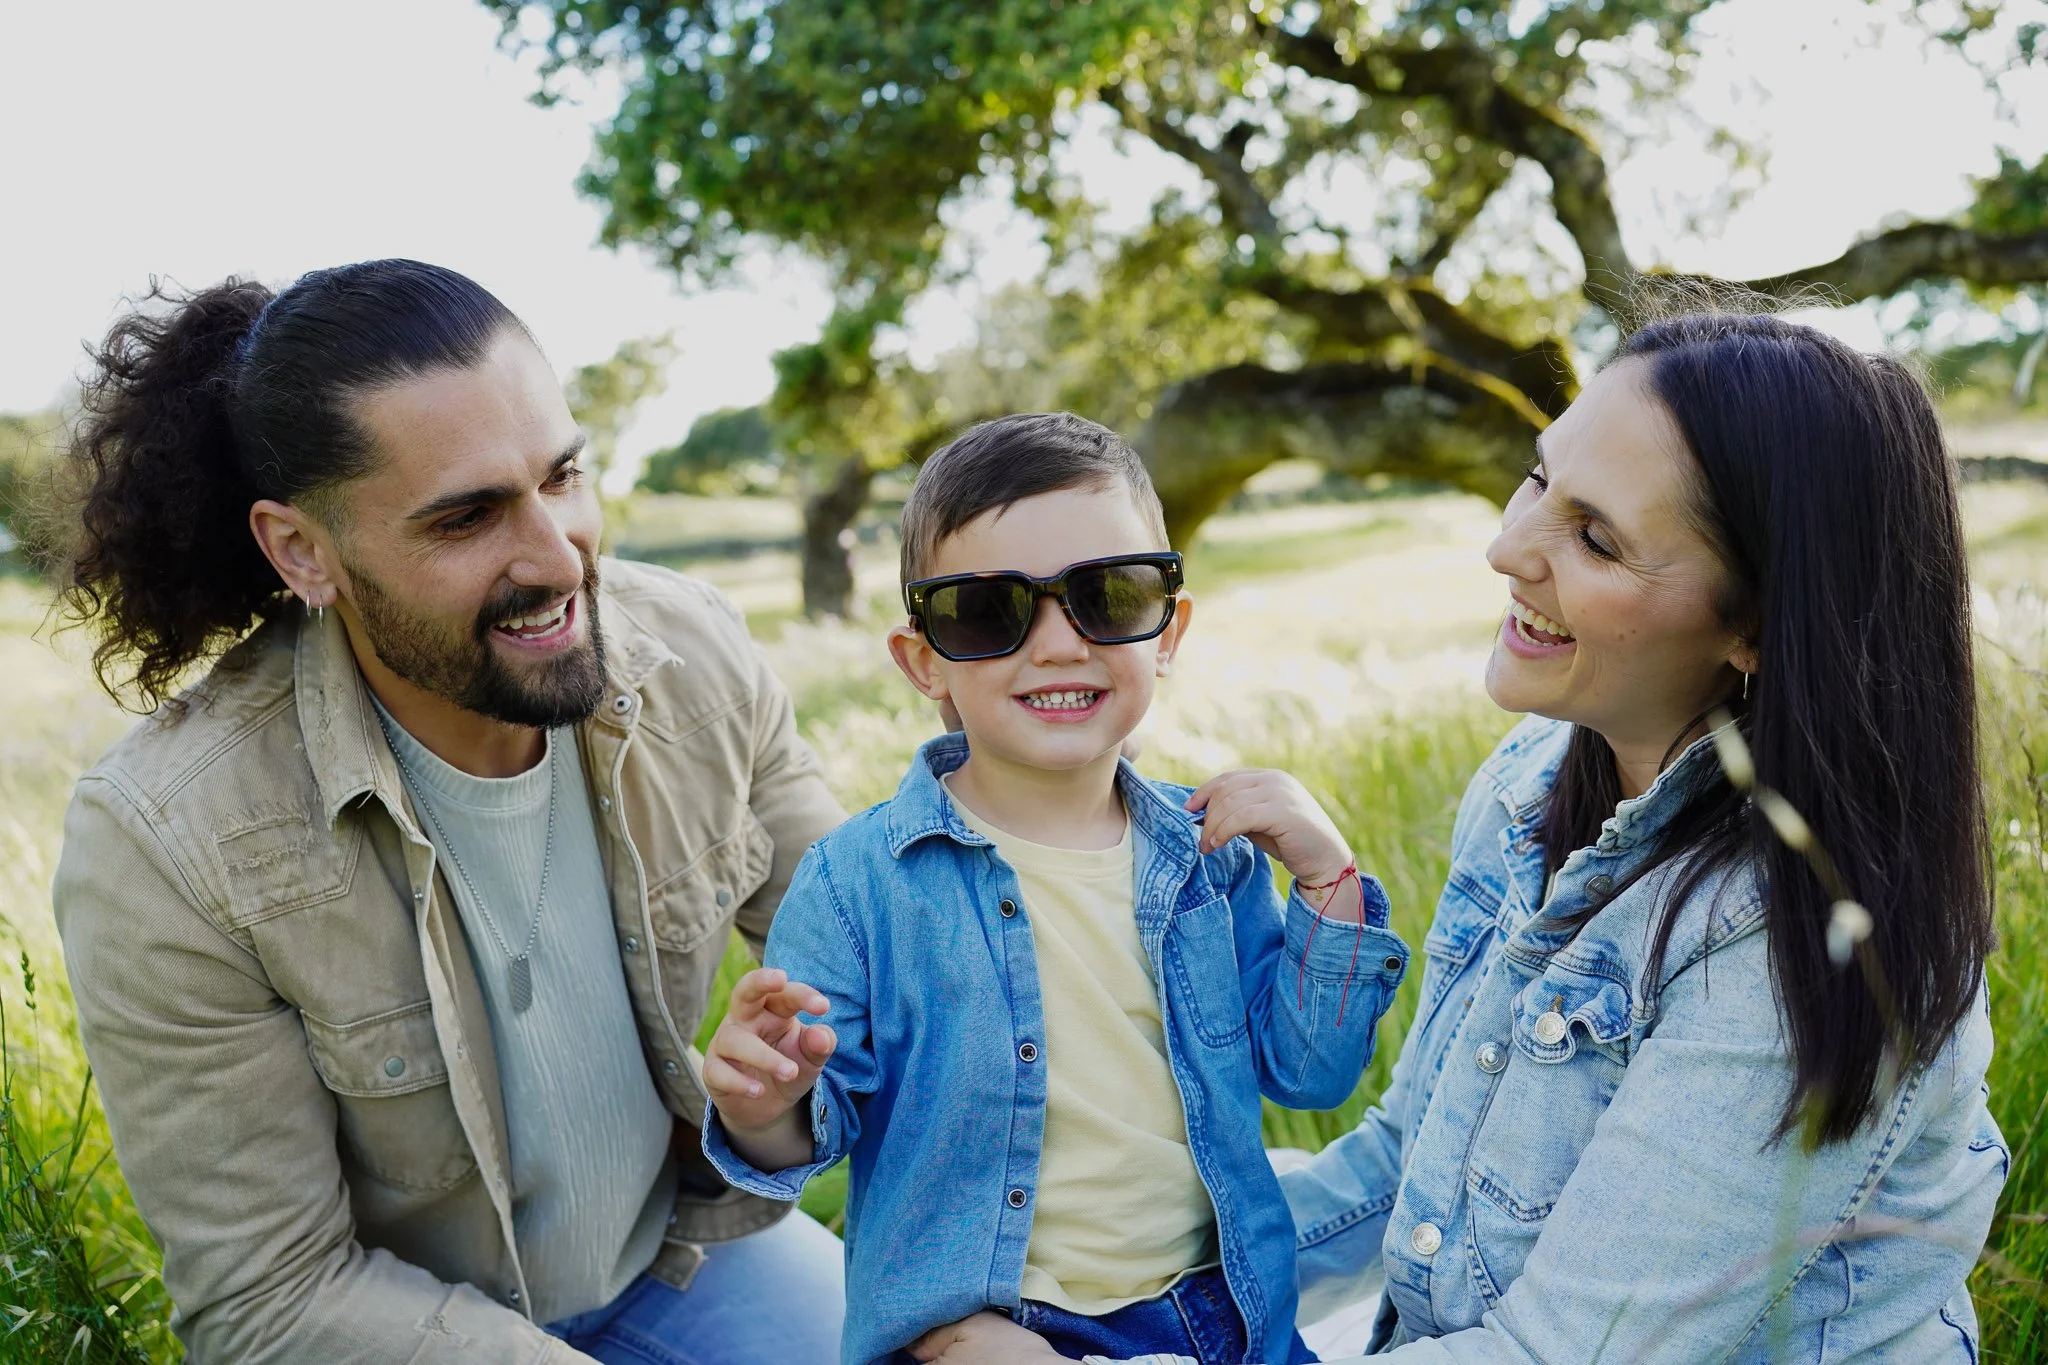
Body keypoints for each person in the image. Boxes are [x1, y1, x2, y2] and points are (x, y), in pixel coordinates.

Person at [906, 313, 2008, 1364]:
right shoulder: (1534, 776)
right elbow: (1407, 1169)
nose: (1504, 548)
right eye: (1538, 477)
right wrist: (1053, 1283)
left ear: (1757, 624)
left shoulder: (1798, 945)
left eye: (1594, 538)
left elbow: (1551, 1356)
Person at [50, 259, 848, 1364]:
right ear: (302, 552)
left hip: (688, 1260)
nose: (558, 555)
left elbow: (887, 941)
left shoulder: (691, 653)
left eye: (562, 475)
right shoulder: (166, 841)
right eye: (467, 517)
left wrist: (1139, 829)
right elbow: (270, 1299)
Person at [698, 413, 1413, 1365]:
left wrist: (1327, 877)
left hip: (1224, 1314)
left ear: (1167, 630)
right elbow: (812, 1131)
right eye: (987, 611)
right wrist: (766, 1103)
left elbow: (1311, 1072)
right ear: (923, 659)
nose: (1059, 644)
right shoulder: (857, 881)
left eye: (1108, 597)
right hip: (985, 1332)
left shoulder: (1214, 855)